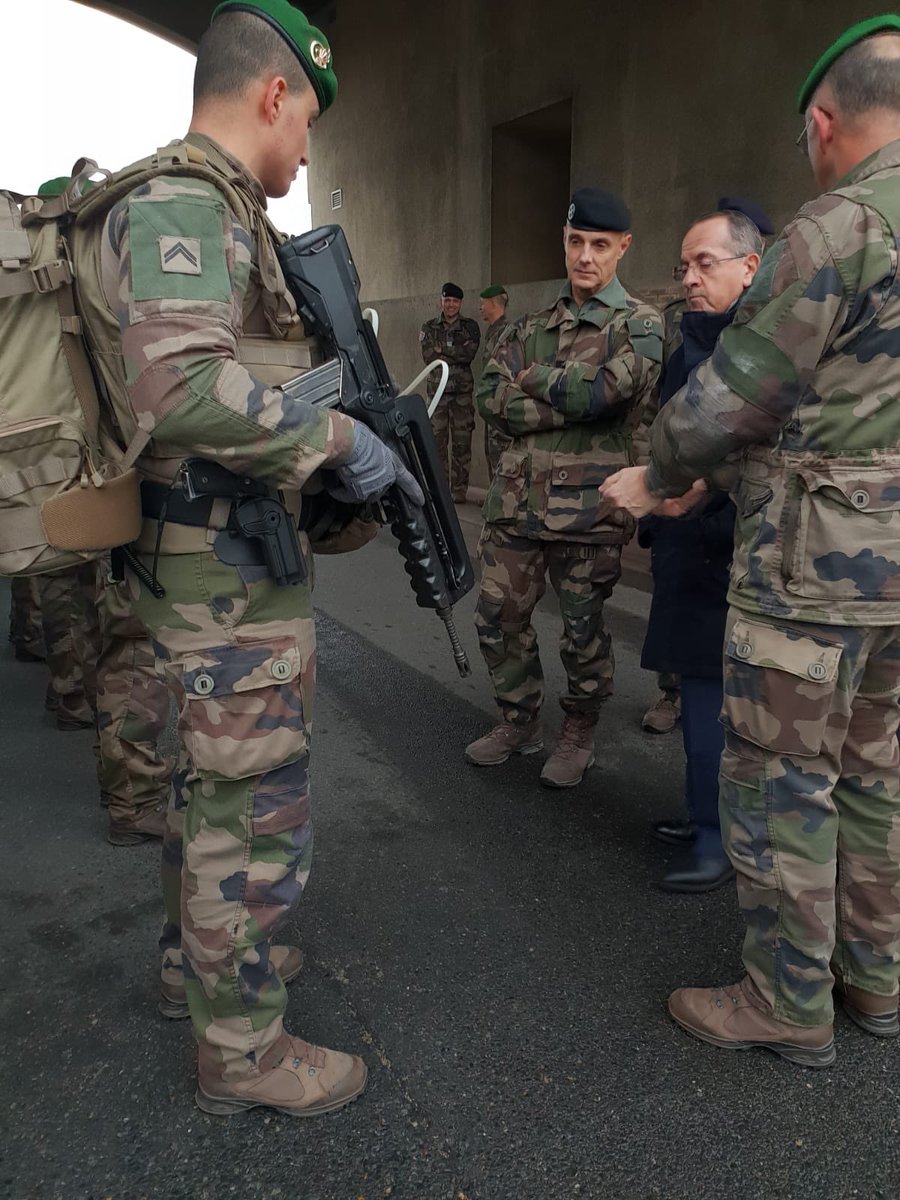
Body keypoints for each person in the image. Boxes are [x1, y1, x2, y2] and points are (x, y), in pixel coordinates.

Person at [73, 0, 422, 1115]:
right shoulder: (184, 199)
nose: (308, 145)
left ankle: (203, 972)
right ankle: (246, 1054)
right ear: (274, 94)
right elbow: (177, 387)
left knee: (208, 791)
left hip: (208, 561)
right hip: (220, 580)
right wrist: (336, 437)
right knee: (251, 811)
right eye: (308, 119)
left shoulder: (208, 206)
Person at [602, 15, 900, 1066]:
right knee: (876, 773)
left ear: (824, 121)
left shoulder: (837, 231)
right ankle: (873, 979)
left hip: (814, 571)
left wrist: (659, 471)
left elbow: (734, 396)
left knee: (787, 779)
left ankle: (787, 1001)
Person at [465, 188, 663, 788]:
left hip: (590, 510)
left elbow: (606, 395)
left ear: (622, 248)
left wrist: (529, 378)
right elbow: (488, 398)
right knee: (498, 617)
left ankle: (578, 729)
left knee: (581, 630)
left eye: (599, 245)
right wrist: (566, 400)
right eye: (576, 242)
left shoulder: (641, 324)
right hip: (517, 505)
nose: (585, 256)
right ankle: (519, 719)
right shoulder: (529, 325)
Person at [641, 208, 763, 893]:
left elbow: (748, 450)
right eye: (683, 265)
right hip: (689, 543)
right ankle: (700, 814)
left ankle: (721, 840)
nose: (689, 277)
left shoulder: (760, 347)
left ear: (751, 266)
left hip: (729, 547)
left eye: (704, 263)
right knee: (693, 690)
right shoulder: (699, 336)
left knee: (720, 701)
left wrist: (693, 500)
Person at [419, 282, 481, 501]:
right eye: (447, 301)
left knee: (462, 444)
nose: (451, 305)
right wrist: (454, 351)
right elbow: (428, 356)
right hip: (437, 394)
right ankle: (441, 489)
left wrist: (442, 350)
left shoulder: (470, 327)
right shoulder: (429, 327)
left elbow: (469, 354)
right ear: (441, 301)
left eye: (455, 301)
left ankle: (458, 491)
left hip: (462, 395)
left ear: (460, 303)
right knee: (436, 444)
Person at [477, 285, 512, 476]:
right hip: (491, 404)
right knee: (491, 452)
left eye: (482, 304)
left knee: (500, 454)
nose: (480, 308)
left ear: (492, 303)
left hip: (500, 404)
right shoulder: (493, 331)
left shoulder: (506, 332)